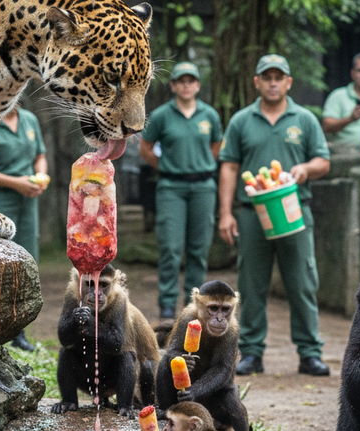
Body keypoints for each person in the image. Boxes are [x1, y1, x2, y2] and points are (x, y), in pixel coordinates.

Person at [218, 54, 331, 376]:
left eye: (278, 77)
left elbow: (323, 161)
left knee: (302, 282)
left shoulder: (304, 119)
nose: (272, 83)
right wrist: (225, 213)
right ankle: (251, 352)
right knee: (251, 284)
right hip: (253, 213)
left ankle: (310, 353)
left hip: (294, 211)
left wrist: (305, 169)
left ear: (288, 82)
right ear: (257, 82)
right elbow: (229, 167)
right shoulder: (241, 120)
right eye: (266, 77)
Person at [139, 62, 223, 319]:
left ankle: (194, 303)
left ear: (197, 85)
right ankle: (167, 303)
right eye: (181, 81)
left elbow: (216, 147)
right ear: (173, 85)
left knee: (199, 248)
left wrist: (199, 165)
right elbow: (146, 148)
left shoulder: (209, 115)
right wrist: (167, 167)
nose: (186, 85)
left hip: (203, 187)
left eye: (191, 81)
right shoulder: (162, 115)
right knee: (170, 247)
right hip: (171, 187)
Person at [0, 106, 49, 352]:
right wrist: (15, 183)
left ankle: (18, 333)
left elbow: (40, 155)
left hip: (27, 200)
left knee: (26, 262)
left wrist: (40, 175)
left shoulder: (29, 119)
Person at [321, 52, 360, 149]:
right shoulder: (338, 96)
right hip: (342, 154)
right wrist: (350, 119)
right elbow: (326, 126)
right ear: (352, 73)